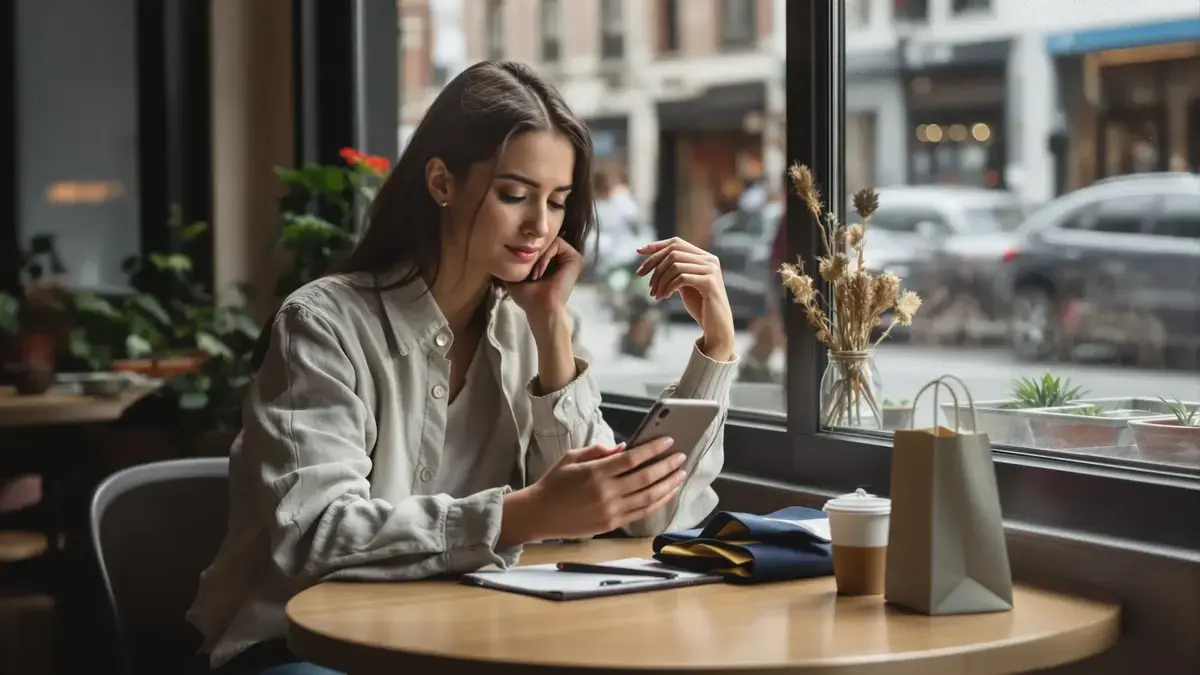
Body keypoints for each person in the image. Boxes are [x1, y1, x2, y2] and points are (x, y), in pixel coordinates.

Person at [187, 61, 739, 675]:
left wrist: (710, 346)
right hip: (299, 648)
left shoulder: (532, 322)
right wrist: (524, 513)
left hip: (466, 636)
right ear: (442, 181)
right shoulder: (322, 325)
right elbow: (315, 535)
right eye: (513, 195)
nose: (540, 226)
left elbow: (642, 518)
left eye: (556, 203)